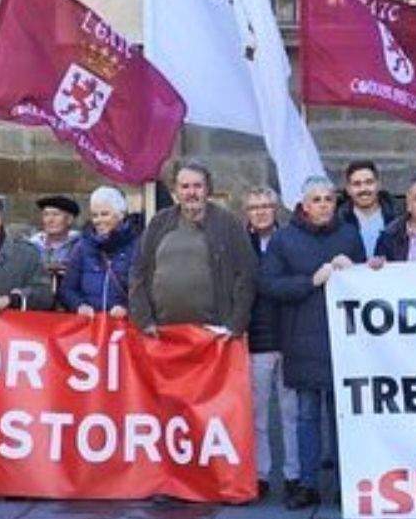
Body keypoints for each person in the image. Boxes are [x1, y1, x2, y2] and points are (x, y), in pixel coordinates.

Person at [258, 176, 365, 509]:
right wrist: (310, 281)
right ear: (303, 206)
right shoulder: (285, 240)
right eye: (316, 200)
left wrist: (357, 271)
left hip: (341, 340)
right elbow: (270, 285)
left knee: (340, 415)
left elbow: (368, 287)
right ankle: (307, 484)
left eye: (329, 199)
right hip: (301, 338)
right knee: (306, 415)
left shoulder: (349, 236)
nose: (323, 205)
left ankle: (344, 485)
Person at [130, 163, 257, 337]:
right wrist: (144, 321)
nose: (191, 192)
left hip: (215, 337)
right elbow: (138, 272)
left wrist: (235, 325)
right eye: (185, 186)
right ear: (176, 190)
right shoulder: (159, 223)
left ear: (208, 189)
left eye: (197, 186)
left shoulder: (229, 224)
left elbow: (246, 276)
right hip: (163, 336)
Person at [242, 186, 298, 501]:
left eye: (266, 206)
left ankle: (293, 474)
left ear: (276, 209)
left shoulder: (289, 240)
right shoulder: (240, 244)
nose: (261, 211)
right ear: (247, 212)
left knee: (291, 412)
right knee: (258, 414)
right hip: (256, 338)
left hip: (288, 335)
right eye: (254, 207)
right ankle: (260, 474)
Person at [59, 187, 138, 316]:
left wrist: (127, 308)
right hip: (89, 324)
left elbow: (147, 292)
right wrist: (79, 305)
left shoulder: (137, 246)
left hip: (123, 325)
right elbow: (67, 289)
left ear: (121, 214)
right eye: (95, 215)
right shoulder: (82, 247)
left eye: (105, 214)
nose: (99, 220)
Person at [341, 161, 399, 258]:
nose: (363, 189)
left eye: (369, 182)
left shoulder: (397, 217)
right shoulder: (339, 220)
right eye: (357, 184)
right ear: (348, 189)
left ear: (378, 185)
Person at [30, 195, 81, 292]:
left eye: (56, 214)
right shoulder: (32, 246)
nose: (50, 220)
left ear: (69, 219)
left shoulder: (80, 246)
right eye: (46, 215)